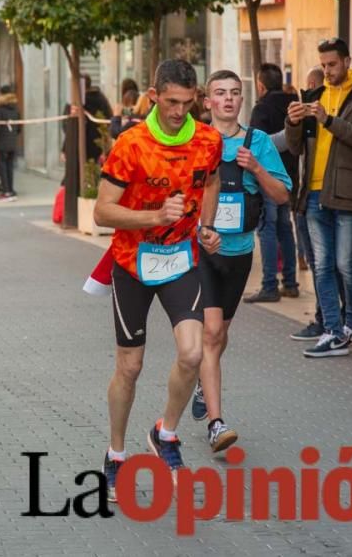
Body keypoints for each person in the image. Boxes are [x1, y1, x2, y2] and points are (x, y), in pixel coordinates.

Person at [94, 59, 222, 502]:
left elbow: (211, 181)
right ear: (153, 95)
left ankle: (165, 434)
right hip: (133, 265)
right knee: (130, 367)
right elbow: (102, 211)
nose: (178, 112)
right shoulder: (131, 144)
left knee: (192, 353)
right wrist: (154, 215)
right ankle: (115, 453)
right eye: (170, 102)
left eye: (187, 104)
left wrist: (207, 225)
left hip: (181, 259)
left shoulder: (207, 139)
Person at [192, 70, 291, 452]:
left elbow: (281, 196)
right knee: (211, 332)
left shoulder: (258, 142)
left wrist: (257, 169)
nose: (228, 99)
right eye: (220, 93)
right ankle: (217, 423)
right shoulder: (197, 140)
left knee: (219, 336)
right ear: (208, 102)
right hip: (204, 251)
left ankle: (204, 380)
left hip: (239, 255)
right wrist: (202, 229)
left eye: (235, 93)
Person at [286, 37, 352, 358]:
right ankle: (331, 329)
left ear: (347, 61)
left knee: (345, 263)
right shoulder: (316, 94)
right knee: (322, 266)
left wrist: (328, 119)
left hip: (347, 192)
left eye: (332, 65)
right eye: (323, 65)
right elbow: (297, 146)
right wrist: (293, 122)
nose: (327, 71)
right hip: (313, 192)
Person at [244, 63, 301, 303]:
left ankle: (269, 285)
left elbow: (257, 144)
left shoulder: (262, 108)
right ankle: (290, 282)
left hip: (267, 177)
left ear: (260, 85)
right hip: (289, 176)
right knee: (285, 229)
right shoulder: (293, 105)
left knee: (267, 229)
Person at [0, 85, 20, 201]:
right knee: (9, 166)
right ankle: (11, 190)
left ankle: (6, 191)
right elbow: (19, 127)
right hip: (12, 141)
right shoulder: (15, 108)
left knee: (2, 167)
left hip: (1, 142)